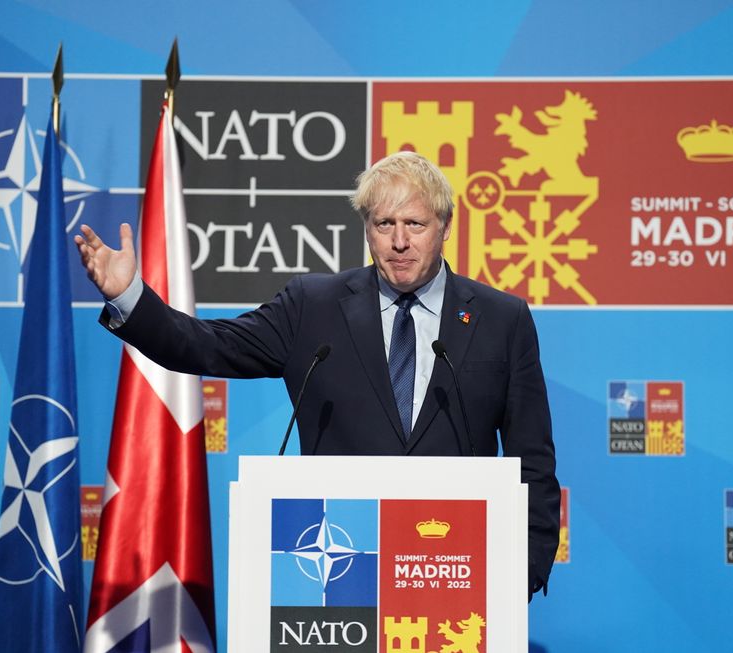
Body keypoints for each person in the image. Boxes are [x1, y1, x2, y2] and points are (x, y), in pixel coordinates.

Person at [75, 151, 560, 598]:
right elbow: (207, 345)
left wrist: (527, 568)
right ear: (366, 229)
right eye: (384, 223)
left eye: (415, 224)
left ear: (445, 226)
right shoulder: (314, 306)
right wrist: (129, 298)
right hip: (339, 570)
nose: (399, 241)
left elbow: (532, 458)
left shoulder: (502, 320)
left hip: (459, 568)